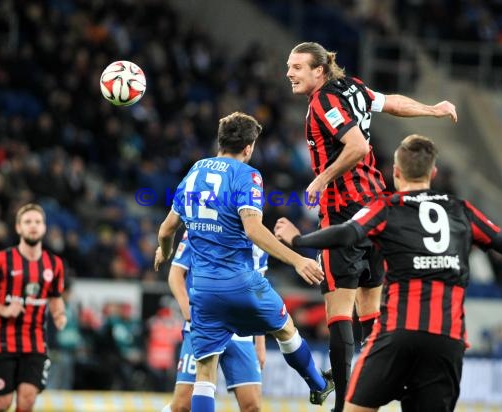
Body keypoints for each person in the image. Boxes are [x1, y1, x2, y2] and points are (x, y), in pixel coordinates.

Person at [274, 134, 502, 412]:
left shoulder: (387, 208)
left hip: (398, 335)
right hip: (447, 339)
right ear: (433, 173)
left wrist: (298, 240)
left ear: (396, 172)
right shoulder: (461, 210)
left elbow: (346, 232)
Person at [286, 41, 458, 412]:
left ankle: (347, 404)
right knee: (371, 311)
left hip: (343, 211)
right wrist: (433, 109)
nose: (289, 73)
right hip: (376, 209)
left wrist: (319, 180)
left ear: (319, 71)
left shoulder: (323, 102)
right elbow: (391, 102)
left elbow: (358, 147)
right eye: (289, 66)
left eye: (297, 67)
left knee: (339, 311)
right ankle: (383, 389)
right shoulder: (353, 88)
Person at [154, 111, 334, 412]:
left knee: (205, 374)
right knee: (287, 329)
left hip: (203, 291)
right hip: (240, 283)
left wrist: (164, 249)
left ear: (220, 140)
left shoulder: (195, 171)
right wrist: (297, 260)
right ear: (249, 147)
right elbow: (253, 229)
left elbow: (166, 229)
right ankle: (318, 385)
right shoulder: (247, 175)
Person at [162, 231, 267, 412]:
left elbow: (258, 289)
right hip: (204, 326)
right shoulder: (200, 225)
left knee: (252, 406)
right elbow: (176, 274)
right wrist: (189, 312)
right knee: (182, 405)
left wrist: (260, 339)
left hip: (241, 332)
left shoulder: (257, 234)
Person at [0, 203, 67, 412]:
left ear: (44, 227)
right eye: (28, 222)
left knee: (27, 398)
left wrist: (59, 313)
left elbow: (55, 296)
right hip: (4, 340)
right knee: (2, 403)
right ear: (18, 228)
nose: (33, 226)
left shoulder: (54, 264)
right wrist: (3, 309)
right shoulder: (3, 260)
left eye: (38, 222)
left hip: (35, 342)